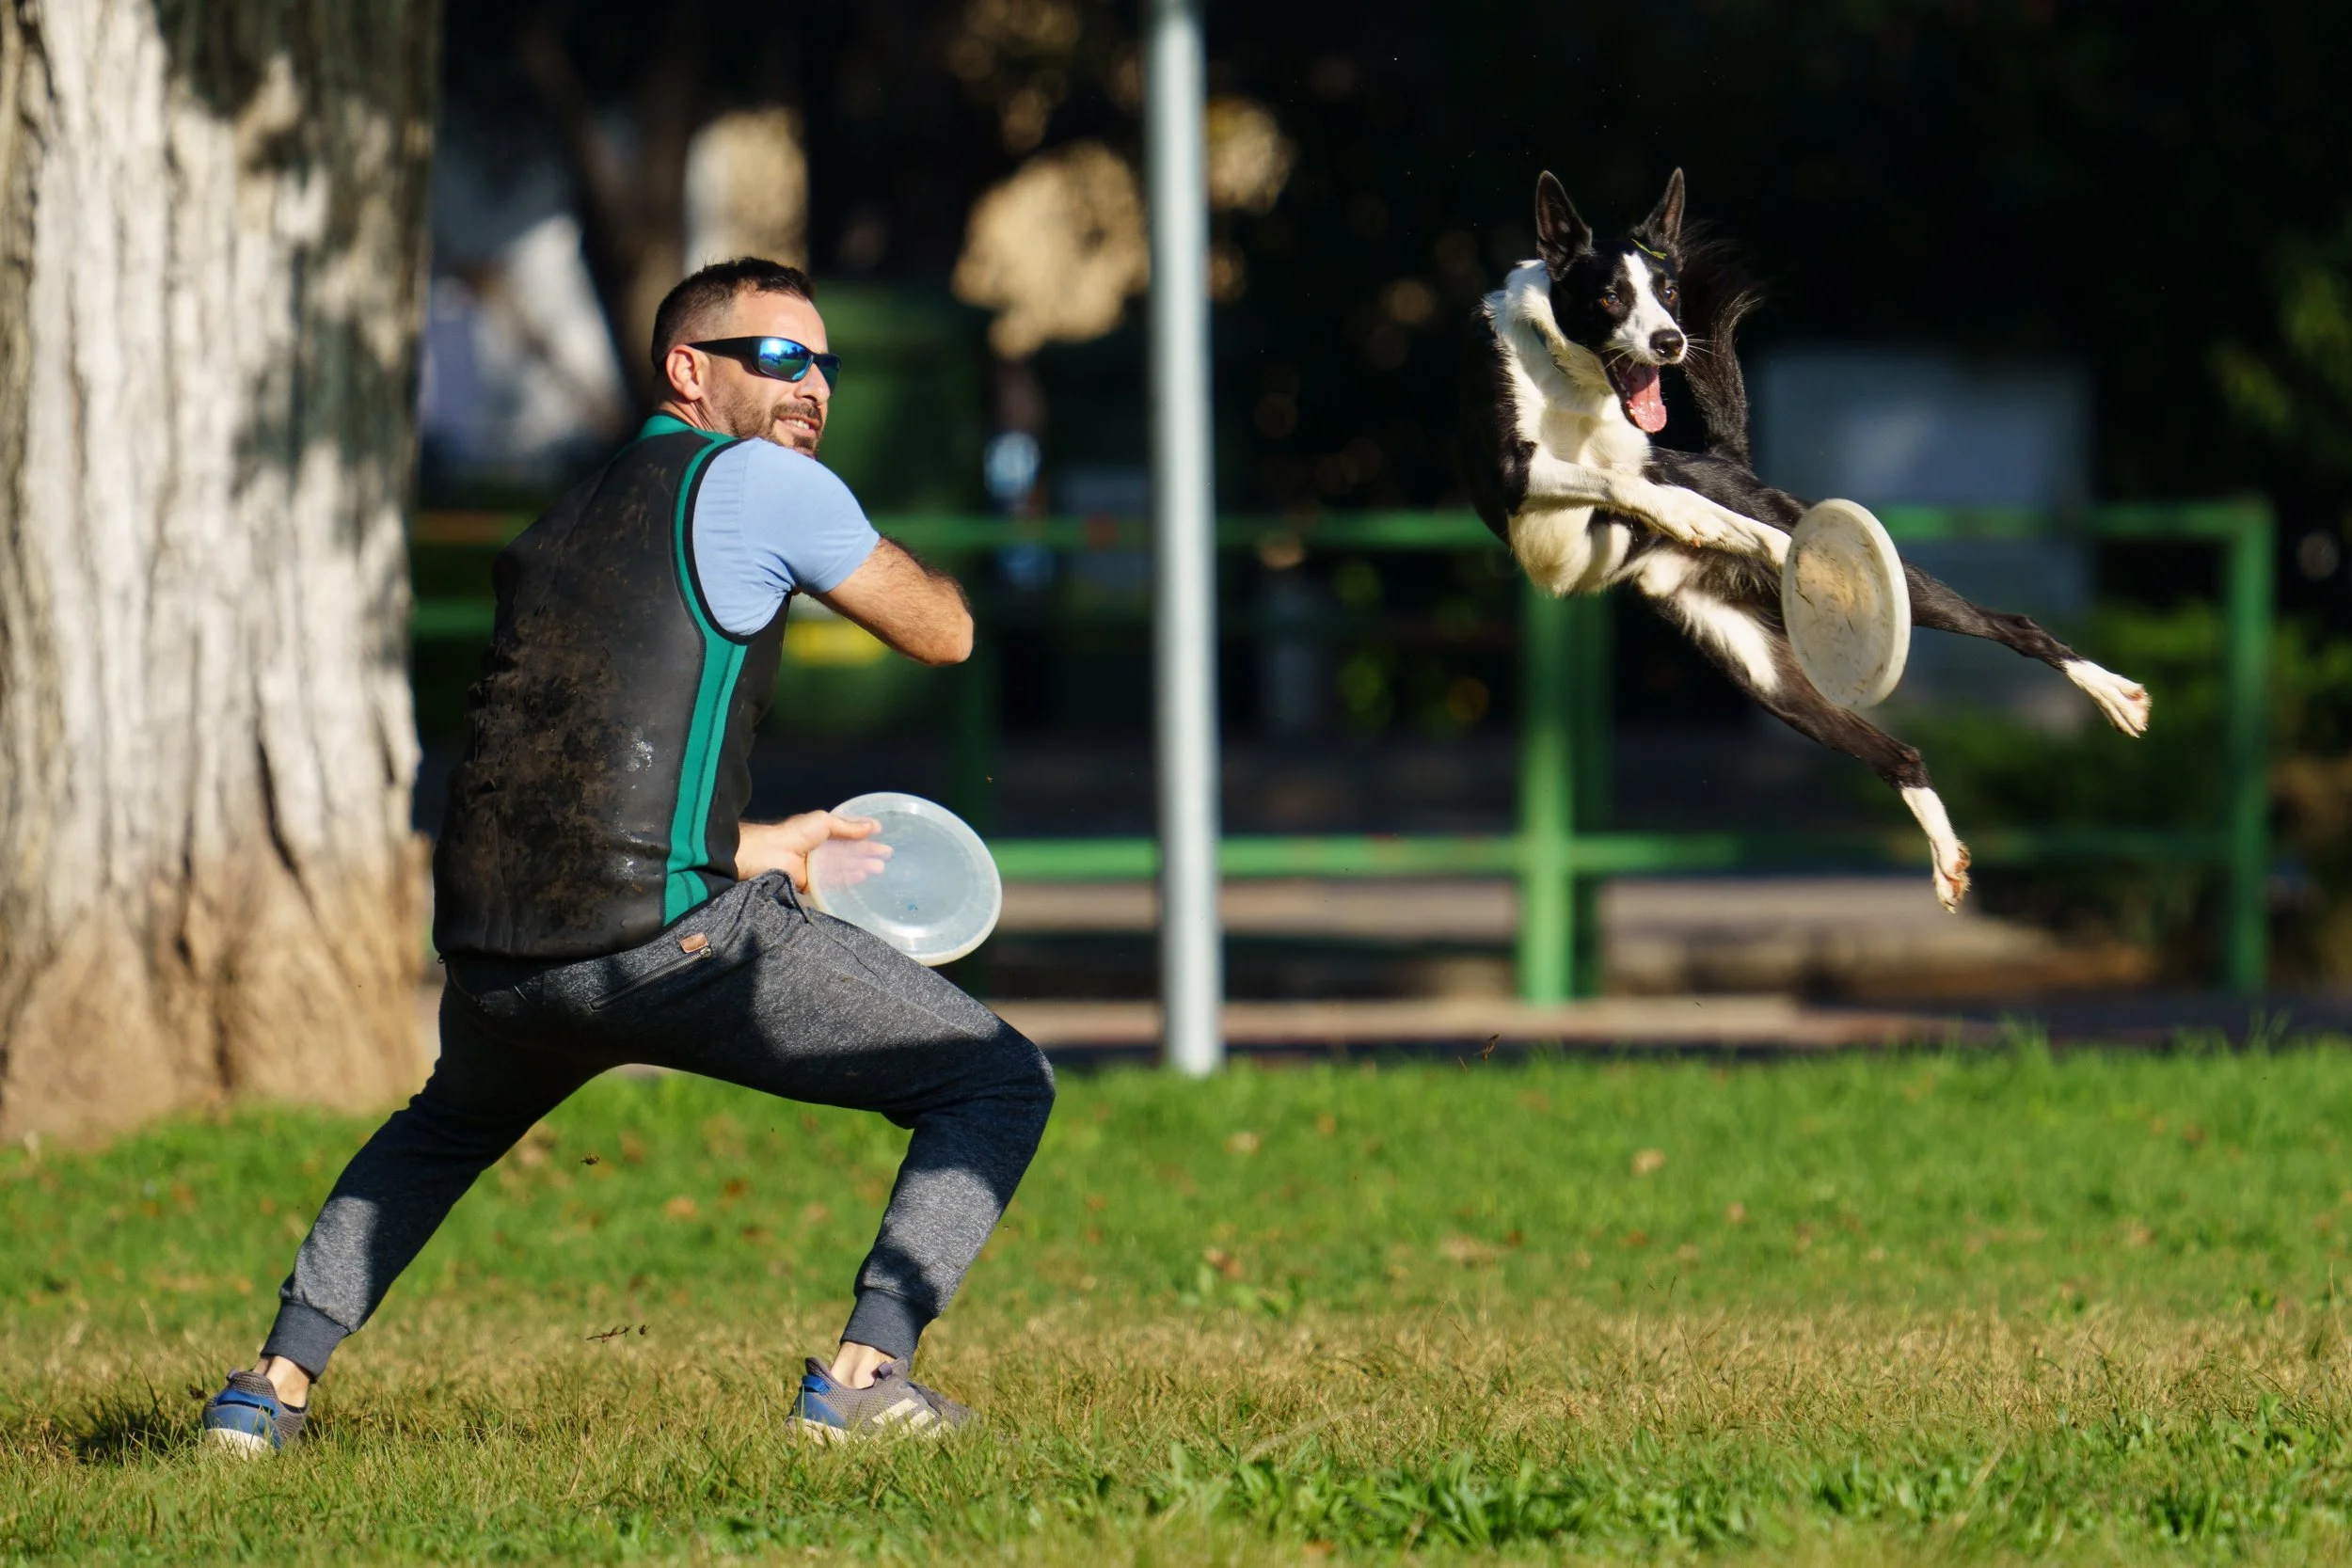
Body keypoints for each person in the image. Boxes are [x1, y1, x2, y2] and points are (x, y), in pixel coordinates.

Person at [200, 258, 1056, 1453]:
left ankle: (270, 1388)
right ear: (688, 369)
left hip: (503, 954)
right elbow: (943, 630)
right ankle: (867, 1377)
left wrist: (773, 849)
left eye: (825, 364)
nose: (811, 385)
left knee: (443, 1128)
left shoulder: (564, 521)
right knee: (995, 1079)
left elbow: (574, 777)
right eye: (778, 357)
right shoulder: (765, 481)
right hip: (671, 946)